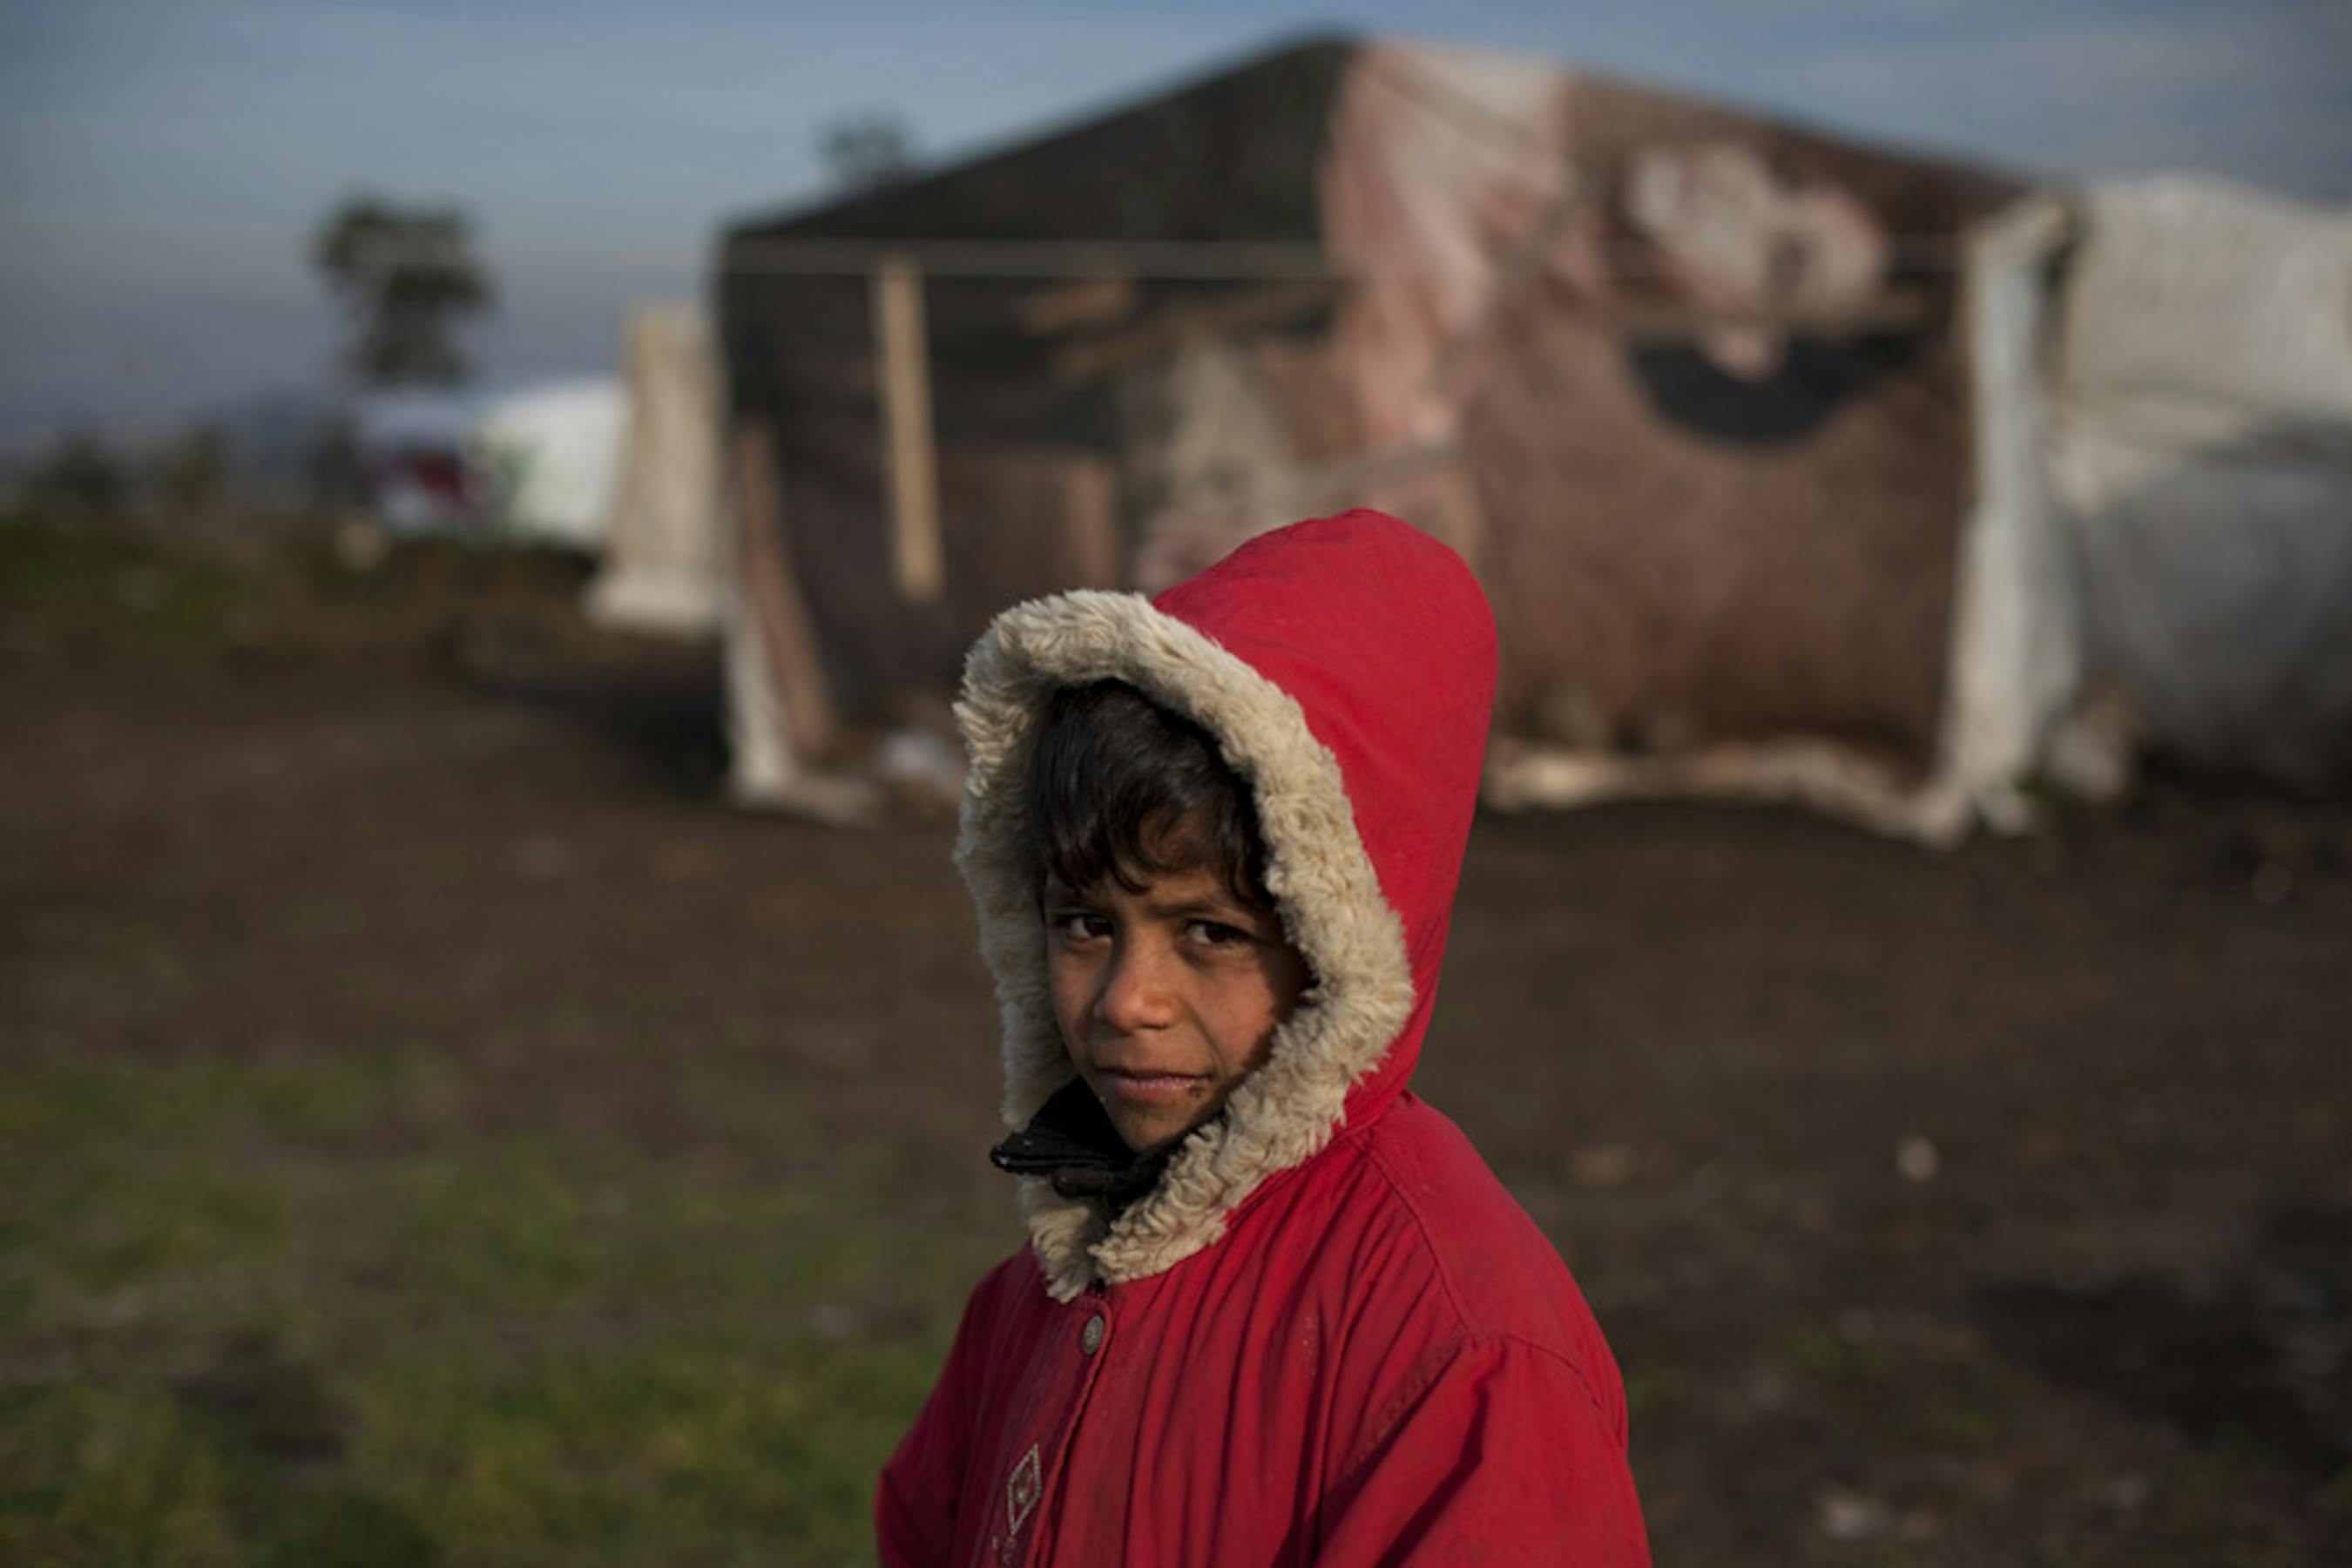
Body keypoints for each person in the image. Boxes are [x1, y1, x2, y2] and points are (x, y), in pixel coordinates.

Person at [877, 510, 1649, 1565]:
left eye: (1211, 932)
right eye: (1087, 923)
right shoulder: (1045, 1290)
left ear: (1342, 937)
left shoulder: (1463, 1350)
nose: (1127, 1001)